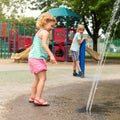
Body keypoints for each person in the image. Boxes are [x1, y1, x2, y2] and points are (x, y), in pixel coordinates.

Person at [28, 12, 57, 106]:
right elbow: (44, 45)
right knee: (43, 79)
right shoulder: (45, 32)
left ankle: (33, 96)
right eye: (51, 25)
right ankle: (38, 98)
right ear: (45, 22)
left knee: (37, 79)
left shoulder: (39, 32)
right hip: (38, 59)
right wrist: (51, 55)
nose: (52, 28)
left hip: (32, 58)